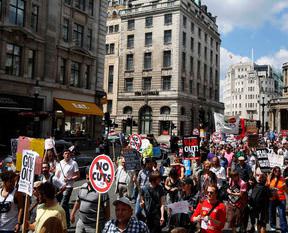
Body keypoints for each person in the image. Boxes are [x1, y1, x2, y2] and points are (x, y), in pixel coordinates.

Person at [70, 166, 110, 233]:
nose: (88, 176)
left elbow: (107, 211)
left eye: (91, 174)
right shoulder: (83, 187)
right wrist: (72, 213)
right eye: (87, 174)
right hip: (81, 222)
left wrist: (105, 225)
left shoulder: (102, 191)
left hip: (94, 226)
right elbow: (78, 201)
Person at [55, 149, 80, 227]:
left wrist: (70, 179)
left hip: (68, 187)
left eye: (68, 154)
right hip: (59, 187)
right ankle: (68, 222)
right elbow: (57, 175)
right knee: (65, 205)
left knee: (62, 205)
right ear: (63, 155)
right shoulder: (59, 163)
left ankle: (61, 223)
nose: (67, 155)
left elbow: (78, 176)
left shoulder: (74, 163)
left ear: (70, 155)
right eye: (65, 153)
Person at [268, 166, 288, 233]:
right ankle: (273, 227)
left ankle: (284, 229)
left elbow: (286, 191)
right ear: (273, 171)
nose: (277, 172)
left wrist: (285, 187)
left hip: (281, 199)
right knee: (272, 214)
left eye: (278, 171)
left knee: (282, 214)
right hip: (272, 199)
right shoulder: (270, 178)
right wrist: (271, 188)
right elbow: (266, 186)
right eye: (276, 171)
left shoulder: (282, 179)